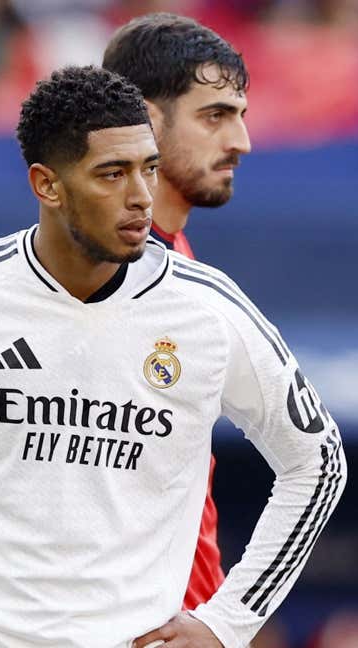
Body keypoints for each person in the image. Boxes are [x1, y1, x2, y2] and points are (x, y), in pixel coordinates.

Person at [0, 65, 345, 648]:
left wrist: (228, 622)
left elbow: (319, 462)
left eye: (149, 168)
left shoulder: (209, 309)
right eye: (112, 174)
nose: (142, 196)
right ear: (47, 184)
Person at [102, 12, 253, 612]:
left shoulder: (175, 258)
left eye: (240, 116)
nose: (241, 141)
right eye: (215, 116)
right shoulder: (104, 278)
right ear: (142, 118)